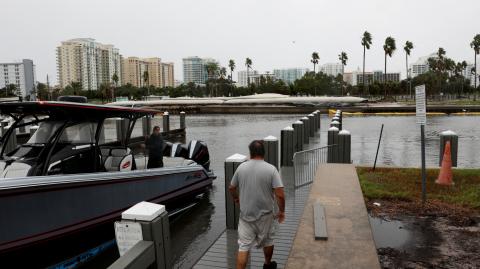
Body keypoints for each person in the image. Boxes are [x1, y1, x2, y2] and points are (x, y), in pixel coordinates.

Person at [229, 140, 285, 269]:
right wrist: (282, 211)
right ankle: (267, 264)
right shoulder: (271, 170)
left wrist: (236, 199)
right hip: (266, 216)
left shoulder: (241, 167)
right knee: (268, 240)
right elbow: (280, 195)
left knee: (243, 247)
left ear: (250, 153)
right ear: (263, 153)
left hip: (245, 217)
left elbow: (231, 188)